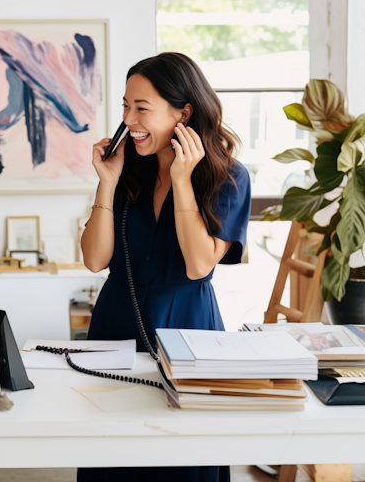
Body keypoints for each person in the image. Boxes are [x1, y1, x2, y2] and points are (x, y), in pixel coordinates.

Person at [79, 53, 251, 482]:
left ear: (183, 113)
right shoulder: (126, 171)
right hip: (117, 323)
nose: (128, 119)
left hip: (188, 327)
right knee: (111, 459)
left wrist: (180, 180)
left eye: (142, 108)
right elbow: (95, 259)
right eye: (124, 106)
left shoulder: (227, 177)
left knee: (184, 460)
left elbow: (197, 265)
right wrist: (107, 181)